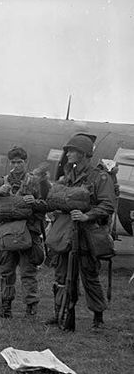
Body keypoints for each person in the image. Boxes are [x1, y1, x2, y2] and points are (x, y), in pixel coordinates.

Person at [47, 134, 115, 329]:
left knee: (89, 275)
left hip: (88, 234)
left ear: (84, 154)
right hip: (66, 232)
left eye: (72, 150)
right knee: (61, 275)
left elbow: (108, 204)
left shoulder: (100, 177)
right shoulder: (69, 176)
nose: (68, 154)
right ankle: (61, 311)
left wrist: (88, 215)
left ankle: (98, 317)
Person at [0, 147, 50, 318]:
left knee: (28, 272)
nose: (16, 165)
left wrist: (34, 202)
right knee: (6, 272)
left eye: (20, 162)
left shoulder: (36, 181)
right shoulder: (2, 181)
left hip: (28, 232)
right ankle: (5, 306)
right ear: (9, 162)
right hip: (6, 233)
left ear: (25, 162)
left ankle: (31, 307)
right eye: (13, 162)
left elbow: (48, 204)